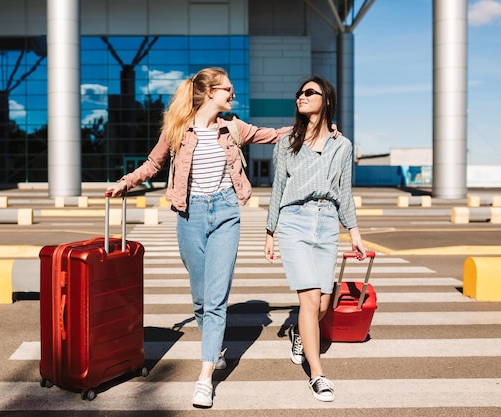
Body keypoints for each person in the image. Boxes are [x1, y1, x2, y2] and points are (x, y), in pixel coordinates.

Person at [106, 67, 292, 408]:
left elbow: (273, 134)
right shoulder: (178, 128)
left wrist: (314, 128)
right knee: (201, 299)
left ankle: (205, 378)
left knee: (217, 298)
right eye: (228, 90)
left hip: (226, 213)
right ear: (209, 93)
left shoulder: (232, 127)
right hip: (189, 215)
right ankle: (214, 345)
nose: (233, 95)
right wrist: (125, 182)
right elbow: (153, 164)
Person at [263, 75, 366, 402]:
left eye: (310, 92)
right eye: (299, 93)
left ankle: (298, 331)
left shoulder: (342, 145)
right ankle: (317, 374)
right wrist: (270, 231)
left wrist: (355, 232)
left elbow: (344, 192)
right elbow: (277, 187)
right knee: (309, 301)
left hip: (326, 223)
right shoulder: (287, 141)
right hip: (294, 219)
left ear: (327, 101)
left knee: (322, 303)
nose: (301, 97)